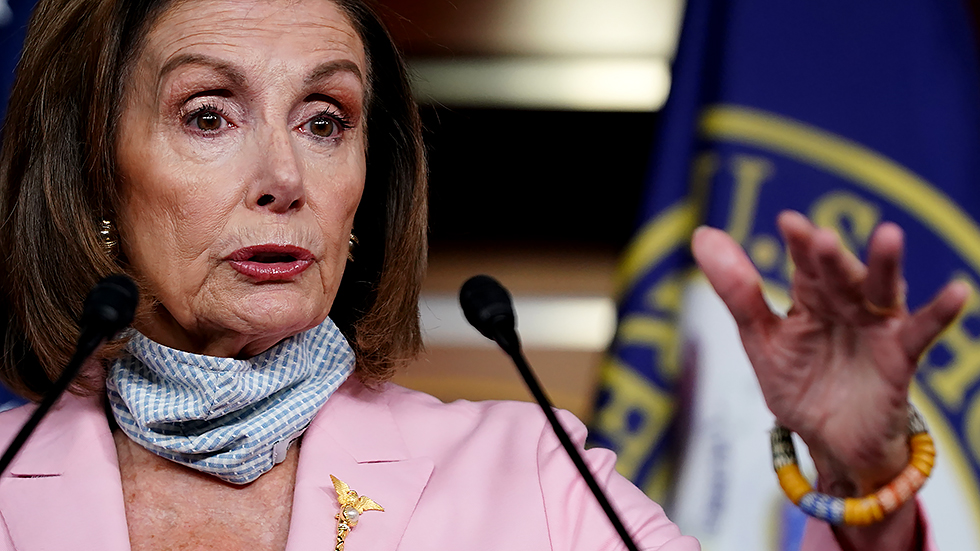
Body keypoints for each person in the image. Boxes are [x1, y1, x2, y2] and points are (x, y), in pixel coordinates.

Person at [0, 0, 963, 549]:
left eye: (325, 120)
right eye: (208, 114)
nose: (285, 179)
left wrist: (864, 476)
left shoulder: (529, 472)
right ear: (95, 173)